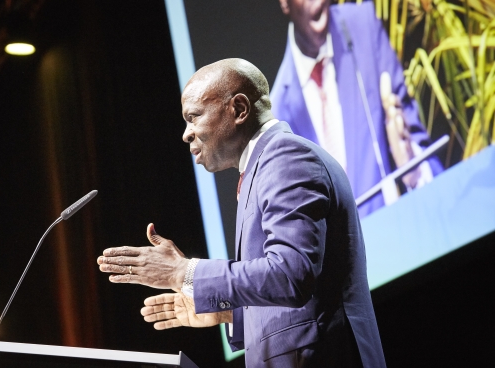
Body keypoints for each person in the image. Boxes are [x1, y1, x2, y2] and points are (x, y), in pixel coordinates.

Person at [97, 59, 386, 367]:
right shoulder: (264, 167)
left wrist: (185, 272)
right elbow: (299, 299)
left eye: (193, 117)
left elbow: (291, 273)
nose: (186, 133)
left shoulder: (286, 157)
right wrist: (227, 312)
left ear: (239, 109)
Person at [271, 0, 442, 217]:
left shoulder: (363, 28)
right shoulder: (280, 111)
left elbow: (420, 150)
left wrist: (411, 164)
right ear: (285, 4)